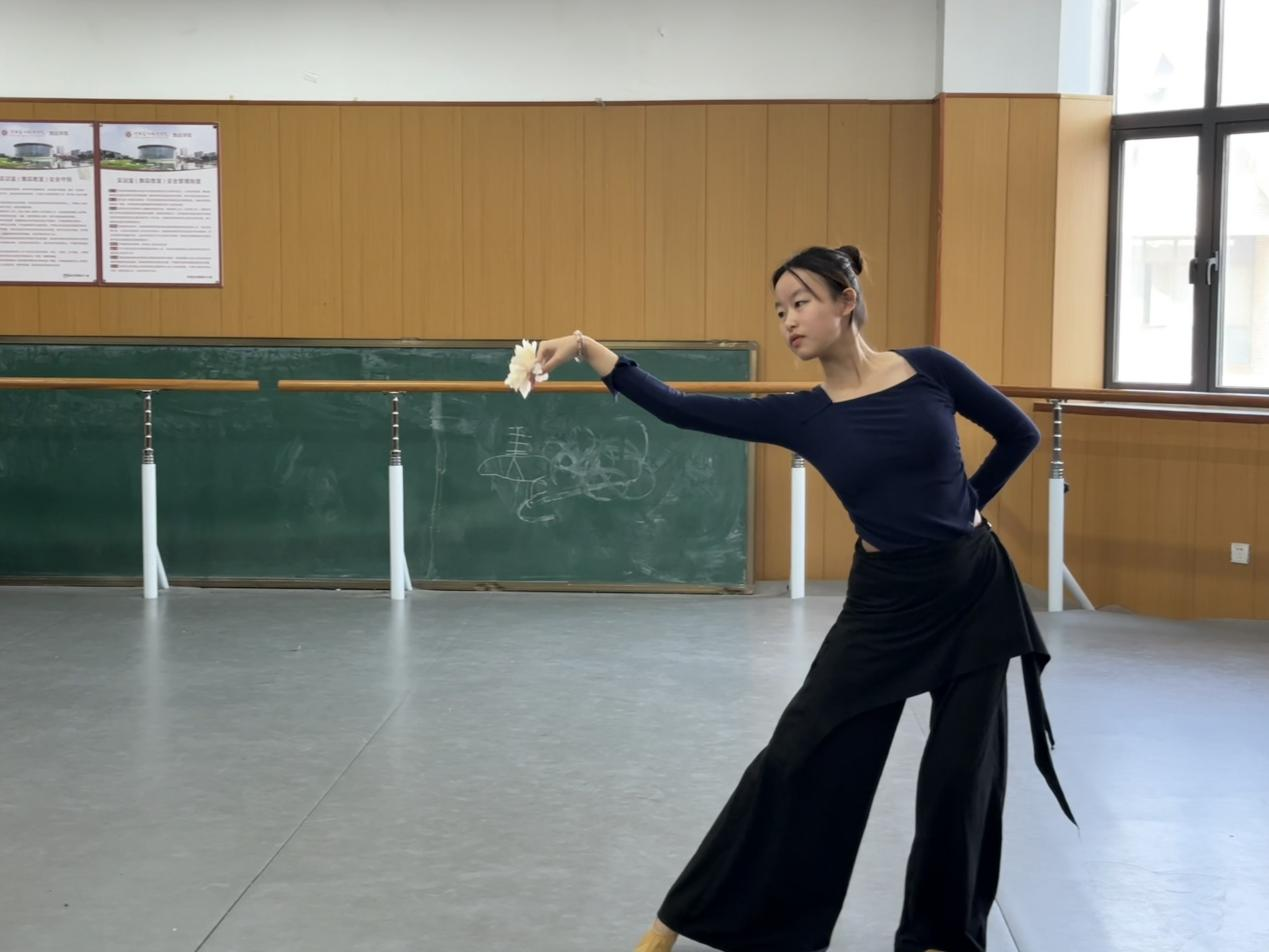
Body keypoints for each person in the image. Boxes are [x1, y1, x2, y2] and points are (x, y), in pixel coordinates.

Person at [533, 245, 1074, 952]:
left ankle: (940, 938)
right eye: (780, 309)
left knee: (960, 780)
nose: (788, 320)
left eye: (801, 302)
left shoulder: (929, 370)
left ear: (846, 301)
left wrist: (968, 502)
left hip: (972, 588)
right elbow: (679, 409)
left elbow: (1019, 432)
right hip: (885, 604)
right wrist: (586, 347)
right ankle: (681, 922)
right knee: (798, 754)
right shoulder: (801, 415)